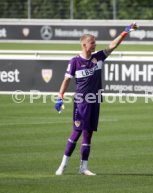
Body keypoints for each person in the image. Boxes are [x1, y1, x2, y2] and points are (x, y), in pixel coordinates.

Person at [55, 22, 138, 176]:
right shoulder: (75, 61)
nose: (94, 45)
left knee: (88, 134)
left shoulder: (98, 57)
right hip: (81, 102)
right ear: (84, 44)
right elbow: (66, 80)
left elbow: (112, 46)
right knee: (76, 132)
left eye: (95, 43)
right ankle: (63, 165)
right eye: (92, 43)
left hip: (95, 100)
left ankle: (83, 167)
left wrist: (125, 32)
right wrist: (60, 97)